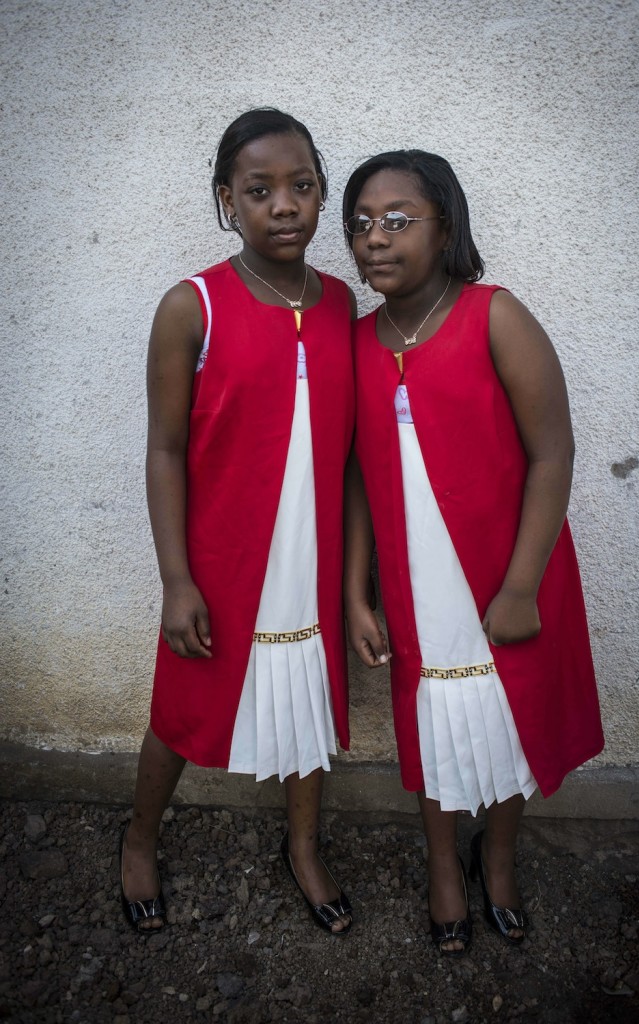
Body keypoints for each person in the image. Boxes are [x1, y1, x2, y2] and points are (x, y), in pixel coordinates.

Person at [342, 150, 604, 956]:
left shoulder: (494, 315)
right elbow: (352, 474)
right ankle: (441, 867)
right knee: (433, 720)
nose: (372, 240)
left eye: (396, 220)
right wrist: (358, 591)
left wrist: (522, 585)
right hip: (416, 579)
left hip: (503, 572)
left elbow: (552, 452)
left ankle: (495, 856)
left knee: (504, 716)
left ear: (445, 227)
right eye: (358, 224)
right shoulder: (354, 341)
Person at [120, 109, 355, 936]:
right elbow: (166, 449)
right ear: (227, 201)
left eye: (302, 187)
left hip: (309, 551)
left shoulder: (339, 305)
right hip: (221, 554)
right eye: (259, 192)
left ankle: (302, 847)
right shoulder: (192, 307)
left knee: (305, 706)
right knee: (184, 705)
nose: (283, 206)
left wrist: (355, 584)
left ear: (322, 196)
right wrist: (177, 578)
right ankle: (140, 837)